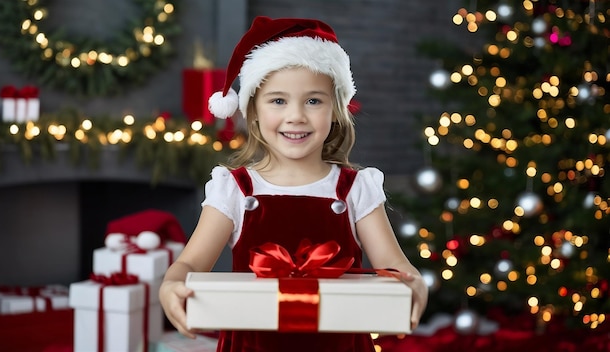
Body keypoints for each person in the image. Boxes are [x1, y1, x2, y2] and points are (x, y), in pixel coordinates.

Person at [159, 16, 428, 352]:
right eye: (278, 100)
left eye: (313, 100)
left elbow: (395, 266)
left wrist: (414, 281)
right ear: (253, 110)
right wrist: (170, 285)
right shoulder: (235, 189)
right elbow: (189, 264)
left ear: (335, 110)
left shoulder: (356, 188)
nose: (296, 116)